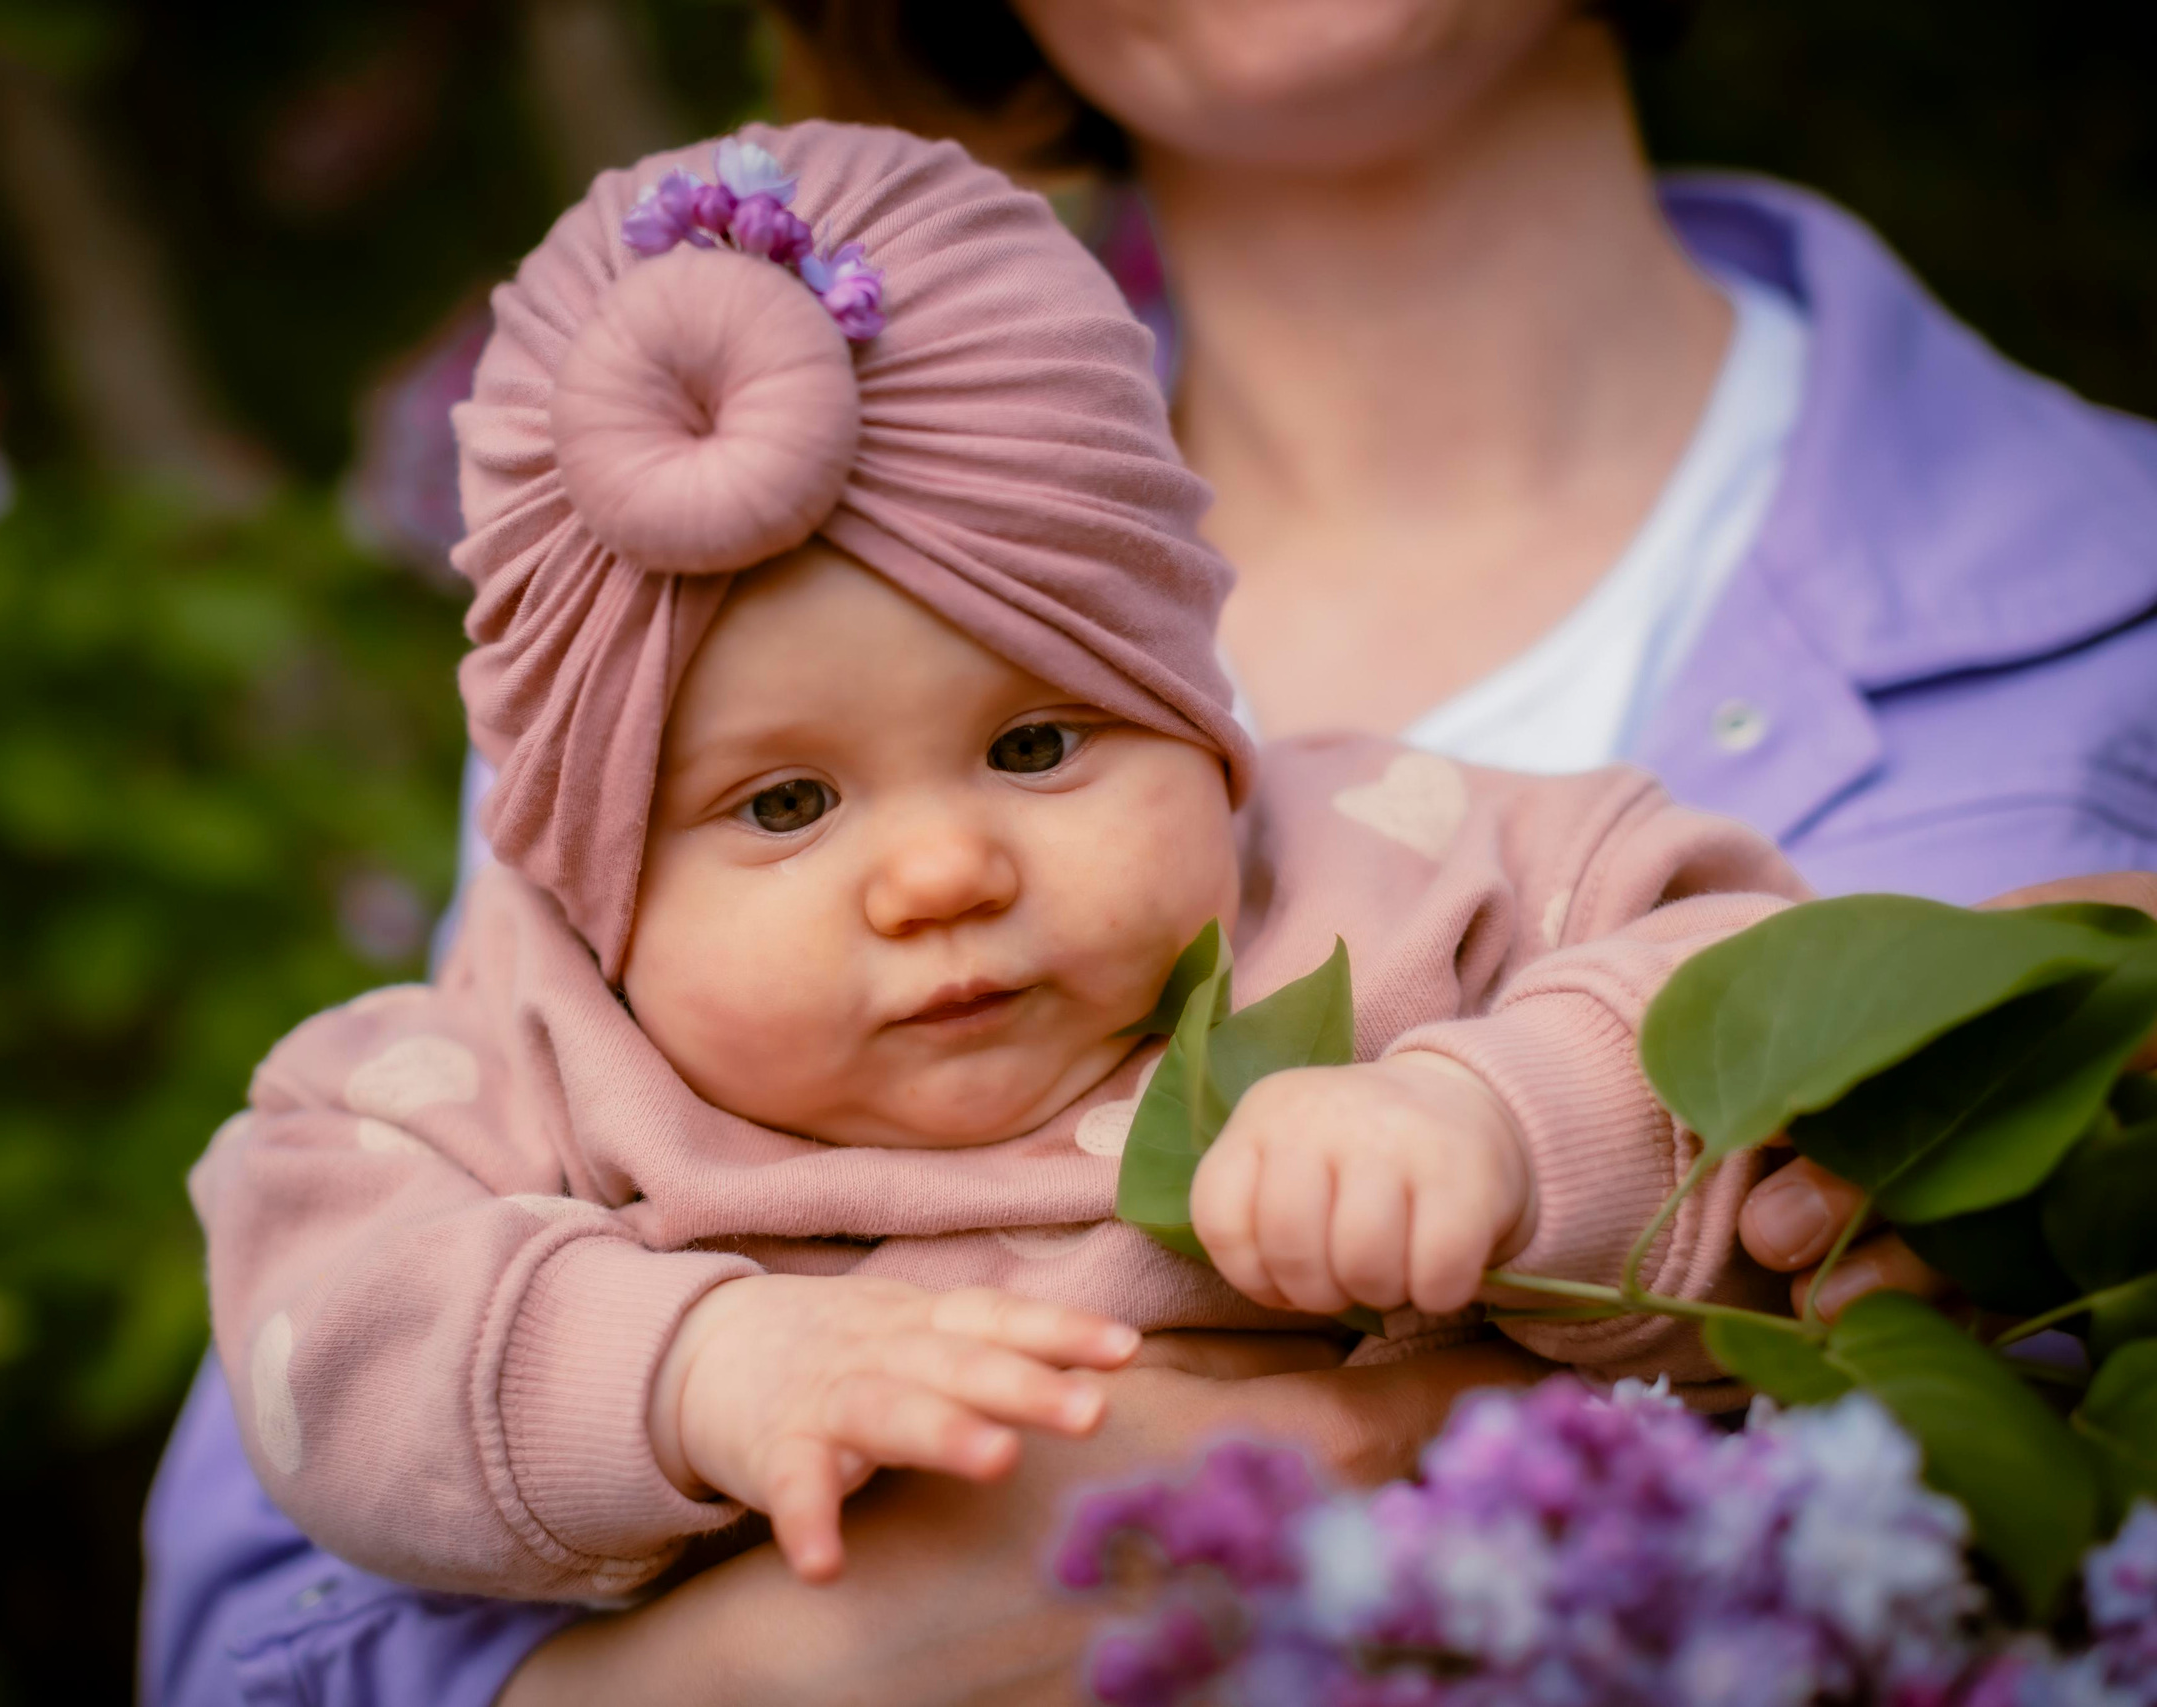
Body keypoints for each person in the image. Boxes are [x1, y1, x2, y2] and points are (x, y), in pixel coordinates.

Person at [142, 5, 2157, 1701]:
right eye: (782, 804)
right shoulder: (572, 935)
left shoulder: (1375, 845)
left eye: (1035, 742)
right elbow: (336, 1338)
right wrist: (703, 1384)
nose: (931, 871)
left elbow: (1688, 962)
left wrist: (1482, 1131)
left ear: (1188, 699)